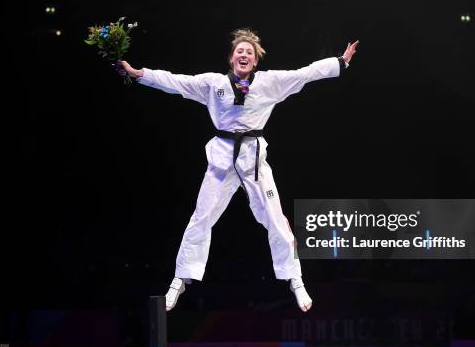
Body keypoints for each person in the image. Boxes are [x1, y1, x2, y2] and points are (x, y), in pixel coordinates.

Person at [116, 29, 359, 312]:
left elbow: (303, 73)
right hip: (221, 158)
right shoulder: (212, 84)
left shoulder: (270, 83)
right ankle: (178, 281)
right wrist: (137, 72)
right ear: (232, 58)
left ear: (255, 61)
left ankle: (295, 279)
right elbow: (175, 81)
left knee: (275, 218)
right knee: (201, 218)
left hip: (253, 158)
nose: (244, 55)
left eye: (249, 53)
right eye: (240, 52)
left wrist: (339, 62)